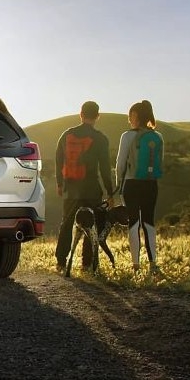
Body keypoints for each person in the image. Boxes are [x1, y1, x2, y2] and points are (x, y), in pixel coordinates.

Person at [55, 101, 114, 272]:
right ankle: (86, 264)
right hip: (91, 189)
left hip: (71, 188)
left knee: (66, 223)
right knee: (91, 225)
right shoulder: (100, 139)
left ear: (81, 114)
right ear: (97, 116)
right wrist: (110, 193)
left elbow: (59, 160)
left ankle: (60, 261)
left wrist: (60, 184)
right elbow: (104, 168)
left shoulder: (66, 135)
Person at [114, 100, 163, 274]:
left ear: (135, 116)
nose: (129, 120)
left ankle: (135, 265)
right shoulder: (157, 137)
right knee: (149, 222)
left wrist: (119, 184)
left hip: (132, 184)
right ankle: (153, 263)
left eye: (130, 116)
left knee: (133, 223)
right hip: (151, 184)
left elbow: (120, 165)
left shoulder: (127, 136)